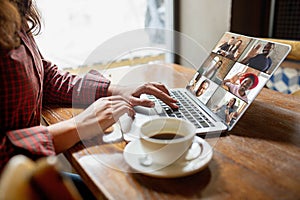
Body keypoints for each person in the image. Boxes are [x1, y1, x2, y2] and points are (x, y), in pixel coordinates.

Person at [0, 0, 178, 198]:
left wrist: (115, 90)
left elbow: (45, 78)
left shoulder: (16, 7)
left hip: (31, 176)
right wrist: (79, 125)